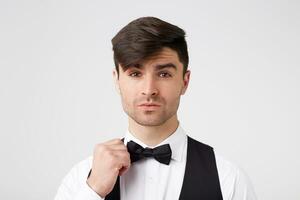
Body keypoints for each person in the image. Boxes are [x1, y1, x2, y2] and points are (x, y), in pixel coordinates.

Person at [54, 16, 257, 200]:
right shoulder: (81, 180)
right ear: (117, 81)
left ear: (185, 82)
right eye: (135, 74)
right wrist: (94, 190)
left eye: (164, 74)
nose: (149, 90)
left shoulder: (229, 179)